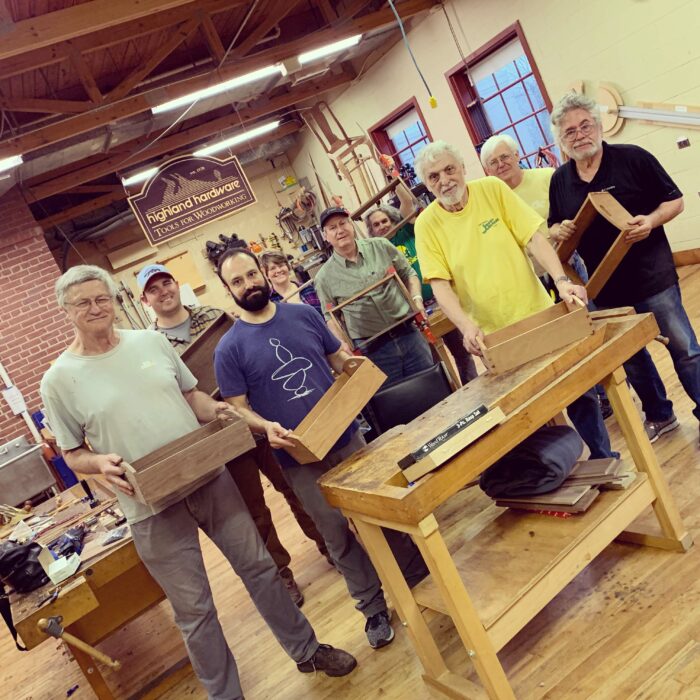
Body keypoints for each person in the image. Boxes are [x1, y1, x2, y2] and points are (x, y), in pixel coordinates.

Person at [40, 265, 357, 700]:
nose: (96, 308)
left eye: (102, 298)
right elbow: (73, 453)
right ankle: (225, 695)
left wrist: (219, 411)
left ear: (114, 300)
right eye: (83, 303)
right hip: (148, 503)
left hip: (207, 477)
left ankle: (306, 649)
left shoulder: (150, 342)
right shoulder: (58, 380)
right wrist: (99, 464)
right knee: (195, 610)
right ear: (65, 311)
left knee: (261, 569)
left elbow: (191, 396)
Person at [213, 249, 429, 650]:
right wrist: (265, 428)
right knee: (336, 534)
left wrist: (351, 367)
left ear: (262, 272)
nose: (248, 285)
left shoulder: (303, 316)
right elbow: (237, 408)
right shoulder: (229, 349)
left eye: (250, 274)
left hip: (347, 436)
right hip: (296, 457)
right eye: (237, 282)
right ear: (228, 290)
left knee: (383, 511)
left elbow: (338, 359)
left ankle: (418, 578)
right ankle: (373, 609)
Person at [137, 263, 332, 607]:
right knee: (254, 509)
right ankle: (282, 574)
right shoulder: (152, 346)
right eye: (154, 289)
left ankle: (328, 544)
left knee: (293, 486)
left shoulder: (216, 316)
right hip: (220, 439)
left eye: (166, 282)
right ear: (144, 299)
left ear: (176, 284)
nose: (163, 291)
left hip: (259, 420)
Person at [413, 141, 616, 460]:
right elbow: (440, 285)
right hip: (495, 336)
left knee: (579, 392)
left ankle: (605, 458)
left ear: (463, 168)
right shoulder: (426, 225)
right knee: (526, 409)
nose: (444, 180)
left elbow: (534, 237)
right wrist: (466, 327)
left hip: (537, 312)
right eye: (433, 176)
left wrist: (562, 281)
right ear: (426, 185)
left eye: (450, 169)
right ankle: (558, 471)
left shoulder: (492, 189)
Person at [548, 92, 700, 444]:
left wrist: (650, 220)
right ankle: (661, 415)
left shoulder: (633, 158)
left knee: (685, 349)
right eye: (569, 131)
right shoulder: (560, 180)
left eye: (585, 125)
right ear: (562, 140)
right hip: (604, 288)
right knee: (632, 359)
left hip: (653, 278)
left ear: (599, 126)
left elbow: (675, 200)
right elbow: (554, 226)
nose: (579, 135)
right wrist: (558, 230)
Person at [480, 133, 612, 420]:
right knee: (558, 341)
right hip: (529, 281)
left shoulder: (546, 177)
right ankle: (585, 394)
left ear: (517, 156)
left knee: (586, 323)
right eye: (493, 162)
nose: (501, 164)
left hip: (564, 267)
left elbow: (570, 216)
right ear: (487, 171)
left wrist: (559, 229)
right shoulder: (489, 200)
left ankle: (606, 389)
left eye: (505, 157)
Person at [364, 193, 478, 385]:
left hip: (440, 302)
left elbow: (407, 201)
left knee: (462, 350)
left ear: (393, 220)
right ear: (372, 231)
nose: (382, 226)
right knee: (435, 360)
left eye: (385, 221)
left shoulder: (408, 231)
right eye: (376, 225)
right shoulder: (377, 251)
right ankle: (452, 394)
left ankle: (474, 386)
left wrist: (391, 171)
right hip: (414, 313)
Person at [314, 206, 434, 385]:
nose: (340, 230)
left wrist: (416, 300)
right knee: (398, 405)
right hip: (372, 350)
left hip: (409, 334)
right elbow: (330, 317)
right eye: (332, 228)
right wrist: (342, 344)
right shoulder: (323, 278)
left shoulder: (381, 246)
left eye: (343, 223)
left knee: (432, 387)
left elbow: (408, 274)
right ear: (325, 236)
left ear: (351, 224)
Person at [259, 250, 323, 315]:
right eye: (272, 268)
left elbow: (324, 312)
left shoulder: (307, 288)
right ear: (266, 275)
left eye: (281, 265)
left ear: (288, 267)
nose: (278, 270)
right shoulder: (269, 302)